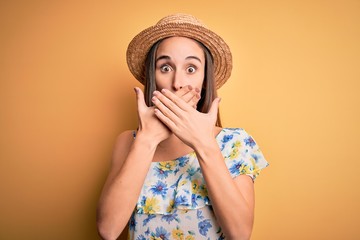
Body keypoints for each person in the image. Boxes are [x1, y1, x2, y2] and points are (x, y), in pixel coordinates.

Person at [96, 13, 269, 240]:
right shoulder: (128, 142)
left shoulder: (235, 143)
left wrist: (203, 143)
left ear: (205, 80)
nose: (177, 83)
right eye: (165, 68)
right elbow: (107, 230)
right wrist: (147, 140)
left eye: (191, 69)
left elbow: (240, 234)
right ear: (153, 77)